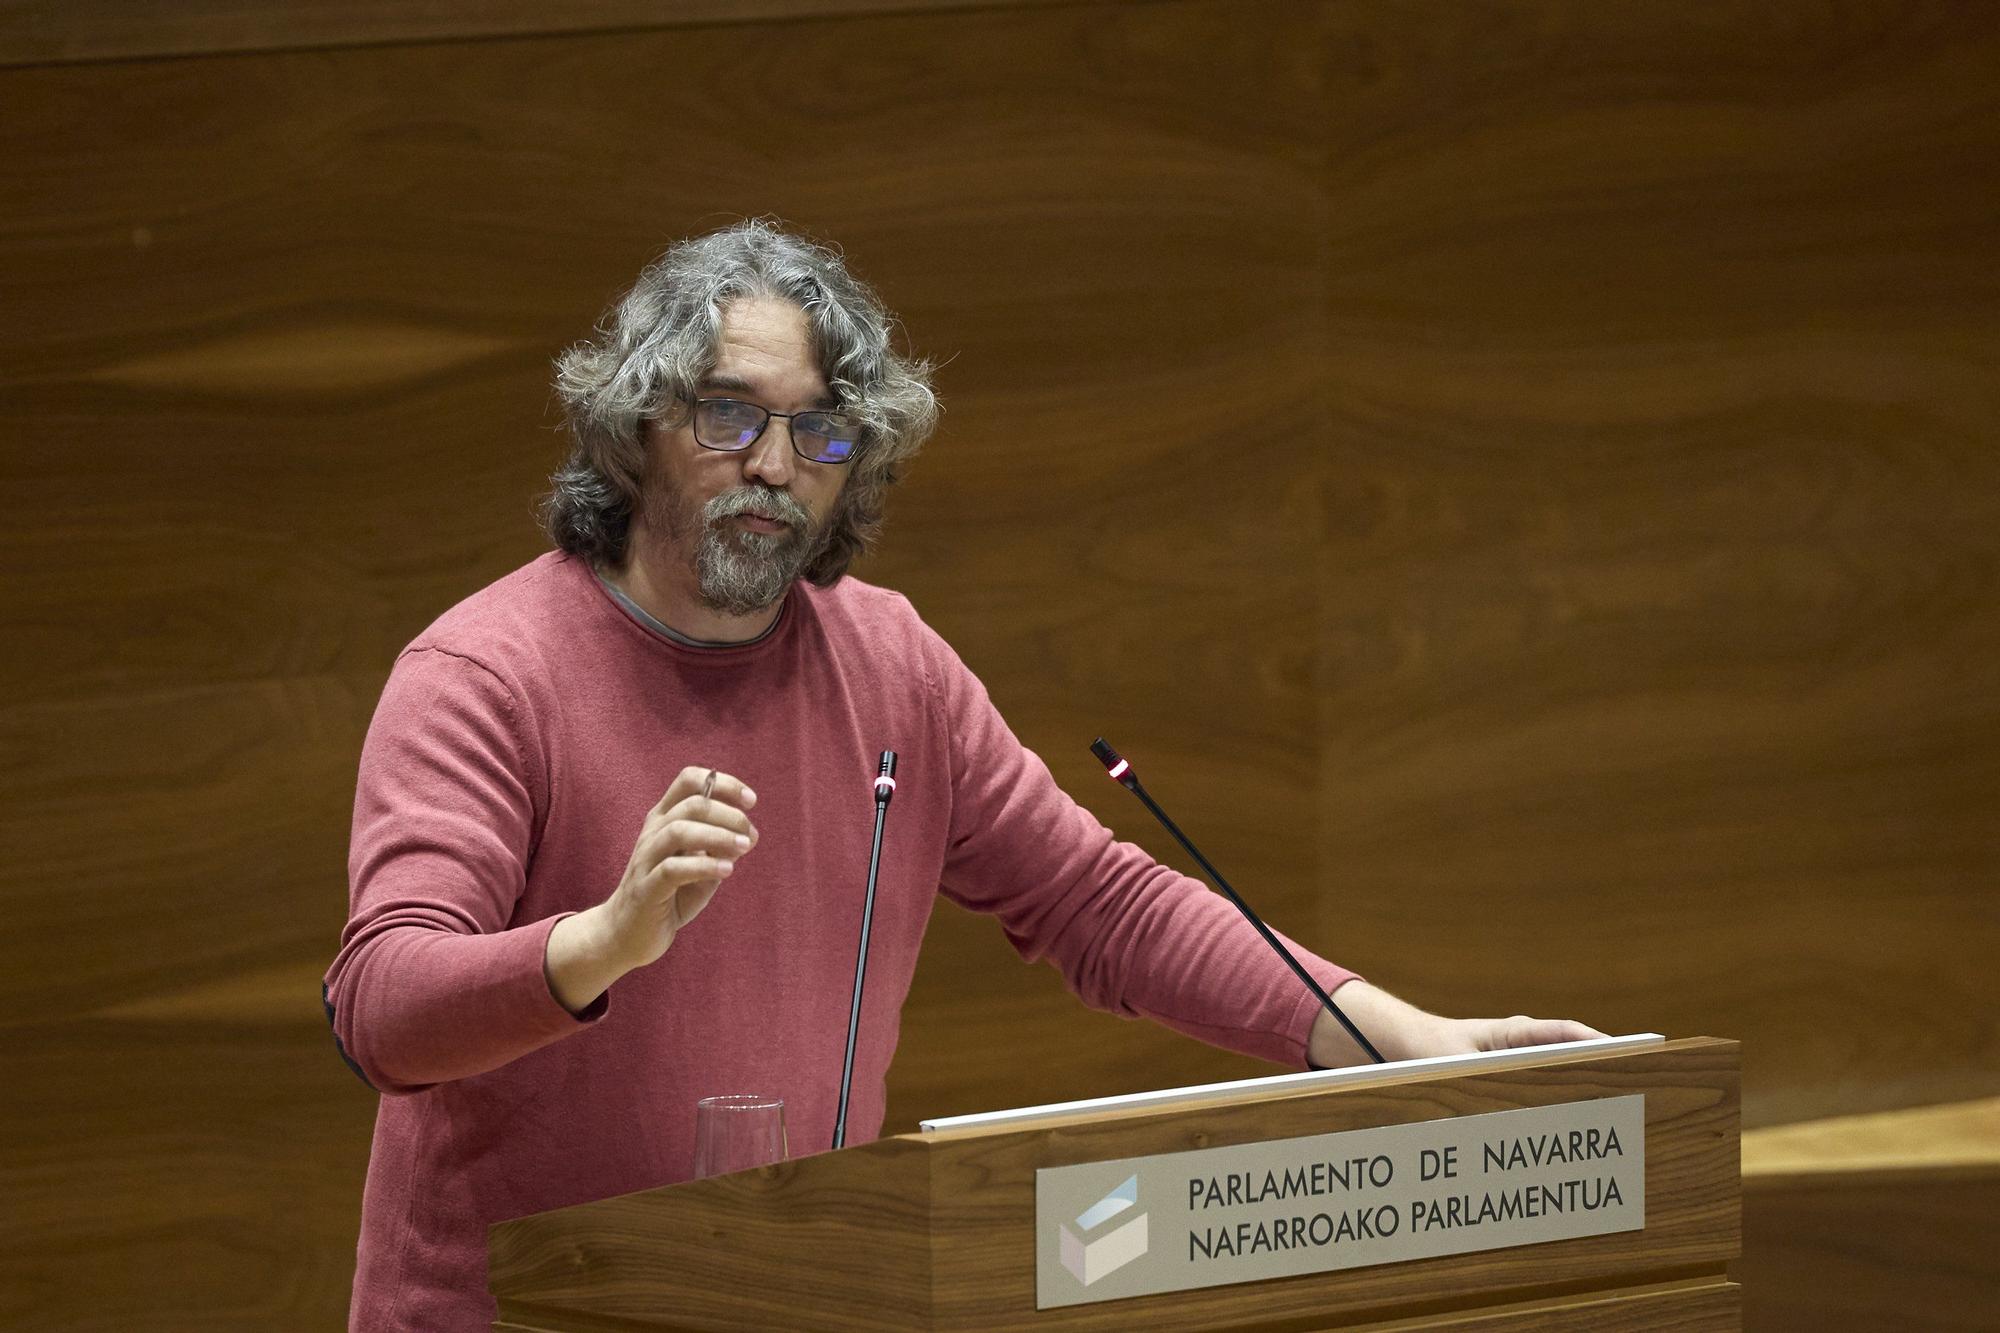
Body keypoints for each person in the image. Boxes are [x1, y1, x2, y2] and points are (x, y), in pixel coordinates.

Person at [323, 219, 1602, 1331]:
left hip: (786, 1297)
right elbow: (380, 1010)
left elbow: (1101, 905)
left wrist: (1400, 1040)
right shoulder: (484, 674)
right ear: (637, 428)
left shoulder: (892, 667)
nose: (773, 465)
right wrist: (597, 941)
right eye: (729, 415)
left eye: (818, 433)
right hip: (525, 1315)